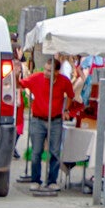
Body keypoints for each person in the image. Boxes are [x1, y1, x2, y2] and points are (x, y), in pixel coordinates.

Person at [20, 56, 75, 191]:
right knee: (36, 151)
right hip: (38, 120)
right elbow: (21, 84)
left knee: (55, 152)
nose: (46, 73)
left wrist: (66, 110)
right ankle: (35, 179)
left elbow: (70, 95)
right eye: (45, 69)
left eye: (50, 71)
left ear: (57, 72)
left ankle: (52, 180)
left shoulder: (64, 81)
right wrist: (15, 75)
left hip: (55, 120)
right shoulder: (36, 78)